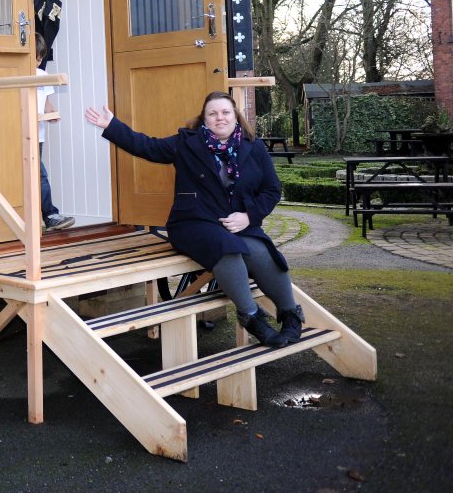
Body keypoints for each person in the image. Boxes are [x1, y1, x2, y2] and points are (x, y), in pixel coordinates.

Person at [83, 92, 304, 347]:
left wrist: (249, 216)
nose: (220, 117)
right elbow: (148, 147)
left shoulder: (253, 147)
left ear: (235, 116)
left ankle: (291, 315)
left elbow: (272, 190)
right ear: (204, 118)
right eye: (213, 113)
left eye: (225, 112)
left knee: (262, 251)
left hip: (236, 224)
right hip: (193, 223)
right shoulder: (187, 143)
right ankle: (252, 317)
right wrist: (112, 125)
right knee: (227, 249)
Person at [34, 34, 74, 232]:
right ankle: (49, 215)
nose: (38, 62)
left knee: (37, 175)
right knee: (39, 175)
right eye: (36, 58)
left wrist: (51, 113)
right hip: (19, 135)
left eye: (40, 58)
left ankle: (45, 217)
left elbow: (46, 103)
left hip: (38, 136)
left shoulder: (43, 76)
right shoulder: (16, 75)